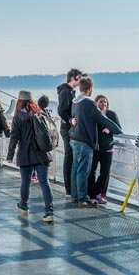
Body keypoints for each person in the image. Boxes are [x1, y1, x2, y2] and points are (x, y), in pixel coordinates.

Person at [70, 77, 122, 206]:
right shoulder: (88, 103)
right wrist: (116, 129)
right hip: (84, 142)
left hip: (74, 139)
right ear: (90, 89)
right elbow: (103, 119)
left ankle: (75, 195)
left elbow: (75, 119)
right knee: (83, 171)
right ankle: (82, 198)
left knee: (75, 169)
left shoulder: (75, 102)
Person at [6, 90, 54, 223]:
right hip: (42, 154)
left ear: (19, 101)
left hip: (25, 155)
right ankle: (49, 211)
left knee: (25, 182)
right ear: (31, 100)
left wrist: (10, 155)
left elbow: (14, 138)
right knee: (45, 183)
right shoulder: (40, 113)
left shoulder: (18, 117)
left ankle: (23, 205)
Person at [87, 94, 120, 205]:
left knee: (105, 172)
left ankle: (99, 193)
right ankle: (91, 194)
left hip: (108, 148)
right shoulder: (93, 115)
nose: (103, 104)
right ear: (96, 103)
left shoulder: (111, 114)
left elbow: (118, 129)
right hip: (95, 148)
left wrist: (109, 129)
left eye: (105, 102)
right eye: (101, 101)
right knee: (92, 171)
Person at [57, 68, 84, 196]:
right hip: (66, 128)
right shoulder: (66, 92)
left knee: (70, 157)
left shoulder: (69, 91)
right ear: (73, 77)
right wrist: (70, 120)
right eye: (79, 77)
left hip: (68, 128)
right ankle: (69, 188)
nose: (81, 79)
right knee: (69, 156)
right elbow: (61, 110)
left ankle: (71, 187)